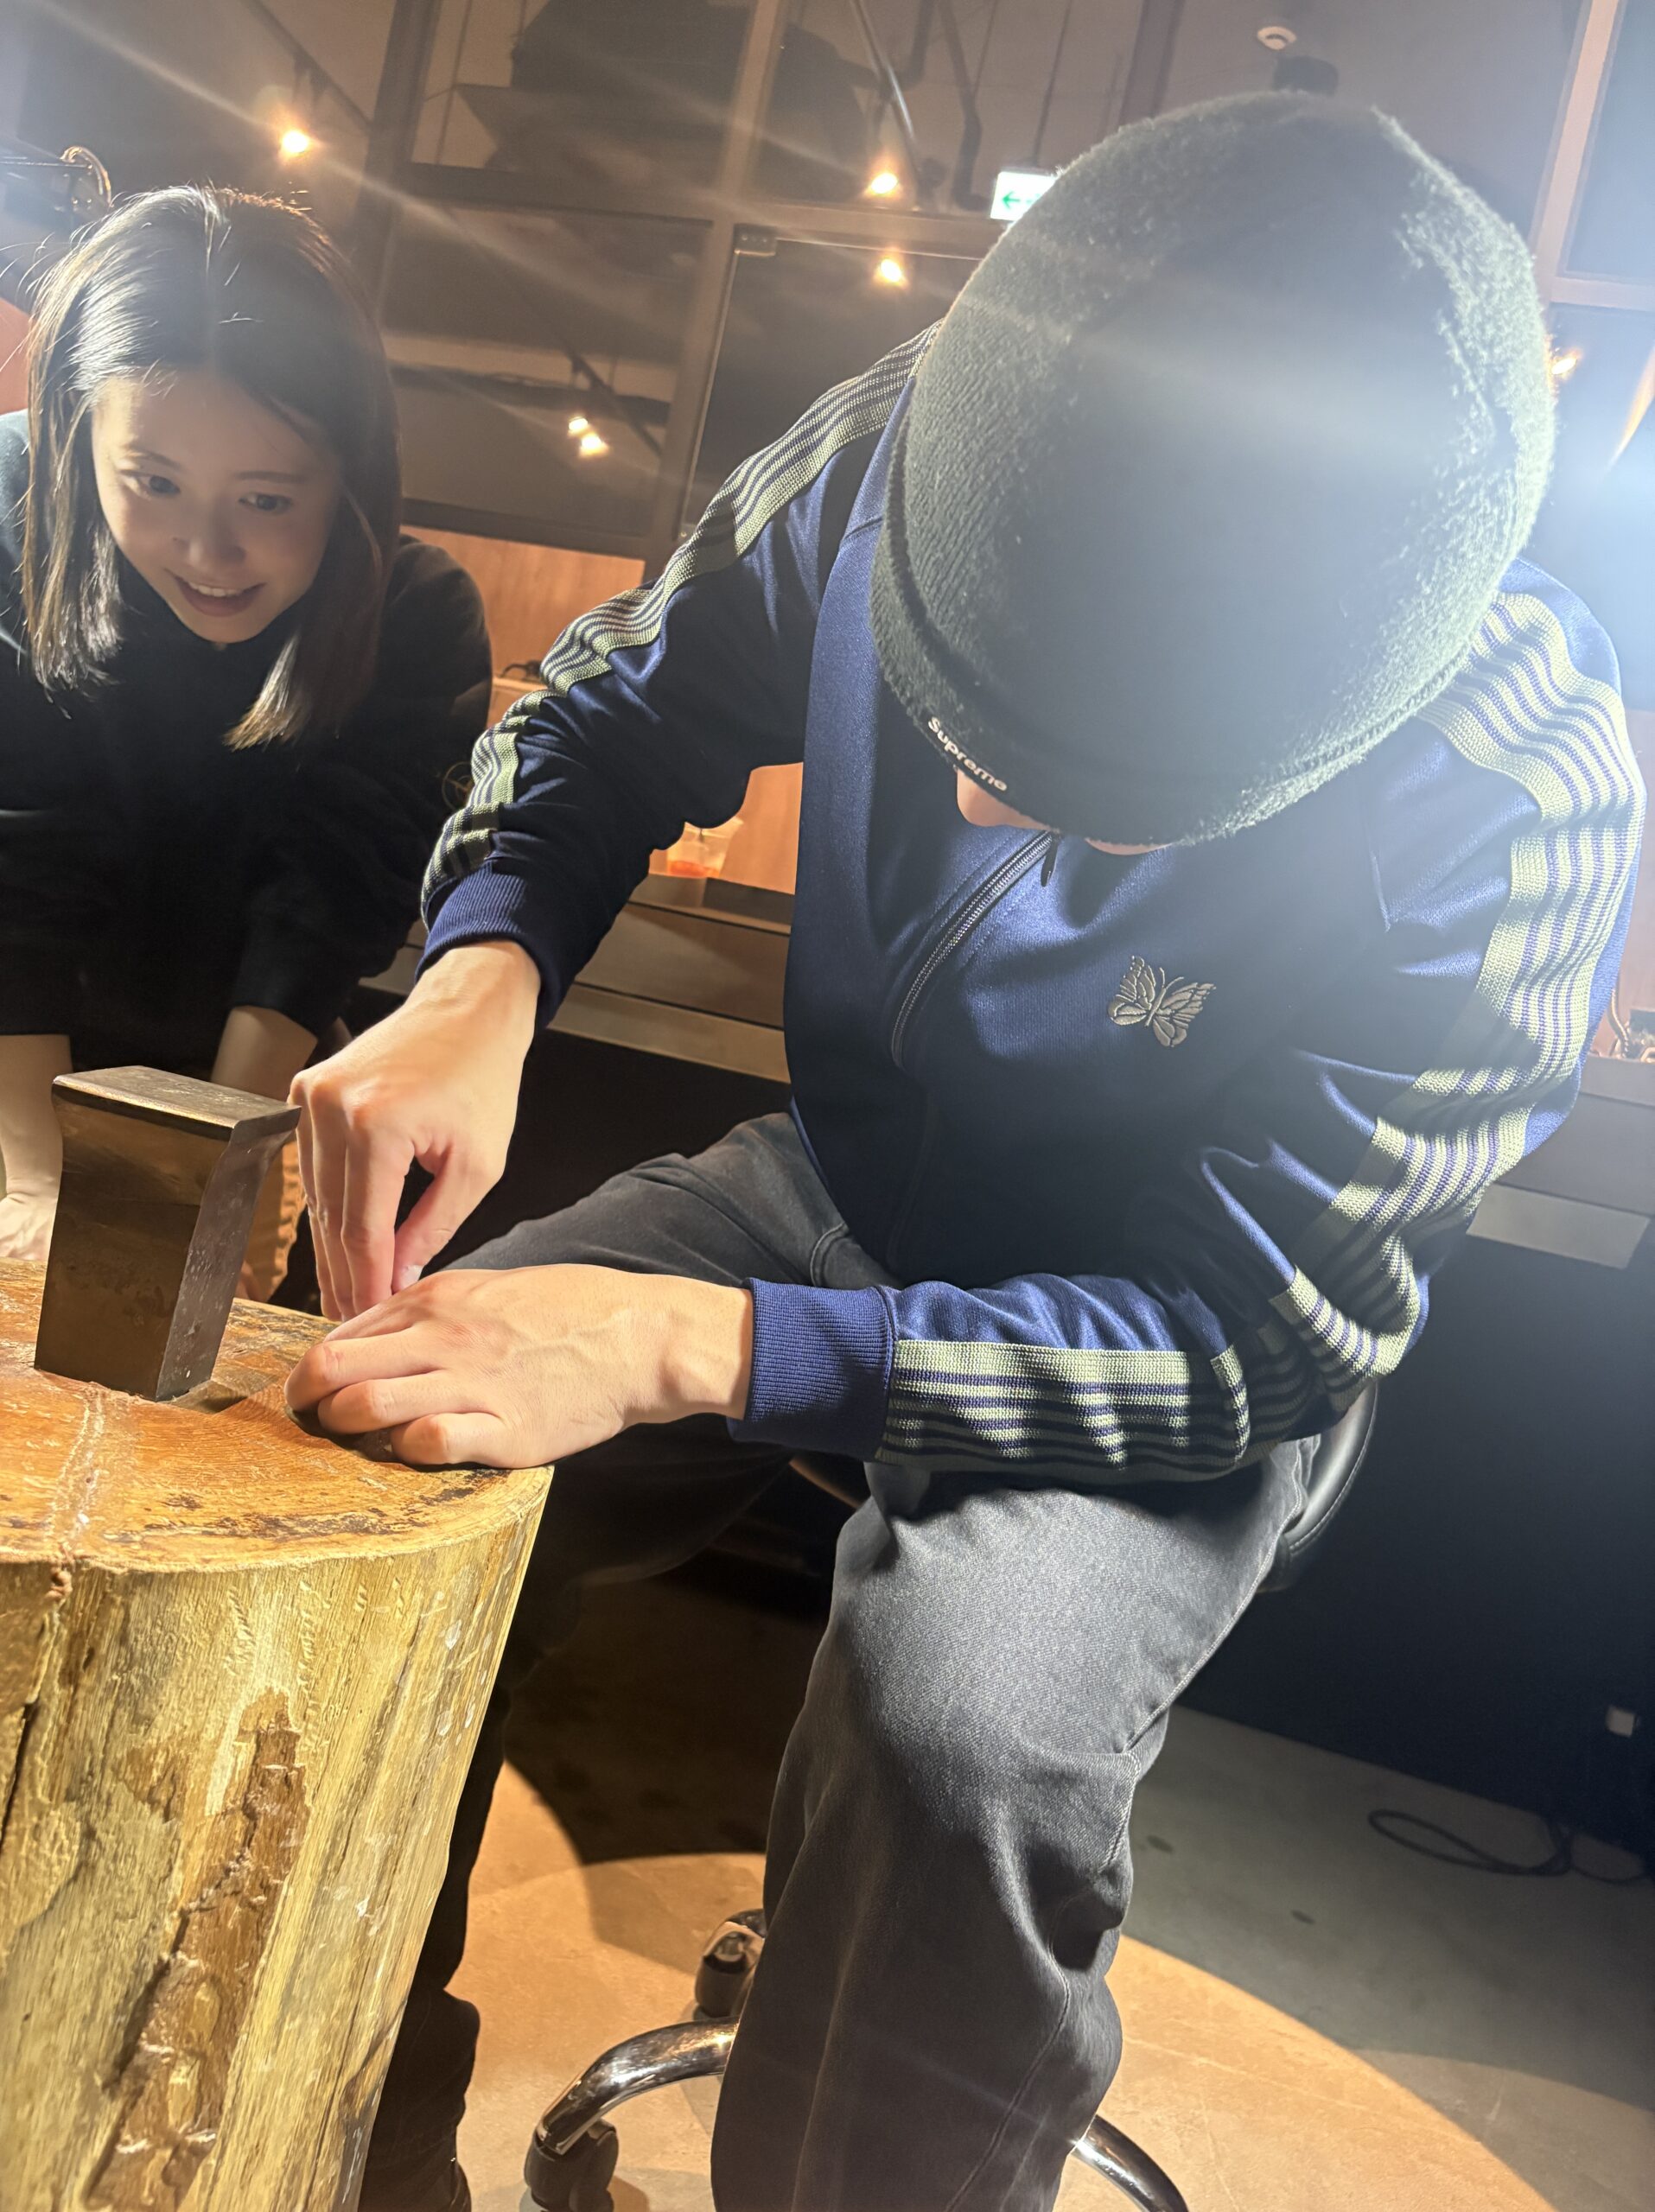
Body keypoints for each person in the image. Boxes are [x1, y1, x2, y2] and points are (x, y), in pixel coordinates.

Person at [287, 96, 1645, 2212]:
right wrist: (484, 967)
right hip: (851, 1185)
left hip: (1166, 1325)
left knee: (957, 1728)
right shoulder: (933, 432)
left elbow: (1248, 1339)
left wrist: (691, 1345)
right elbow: (612, 706)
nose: (982, 809)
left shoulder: (1512, 781)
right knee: (388, 1461)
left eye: (1100, 797)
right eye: (950, 718)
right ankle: (340, 2125)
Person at [0, 186, 491, 1294]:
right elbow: (14, 868)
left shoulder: (416, 616)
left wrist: (226, 1150)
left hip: (251, 1057)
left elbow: (325, 899)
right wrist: (29, 1179)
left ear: (350, 472)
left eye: (267, 500)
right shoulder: (9, 521)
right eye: (154, 483)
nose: (206, 550)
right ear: (80, 436)